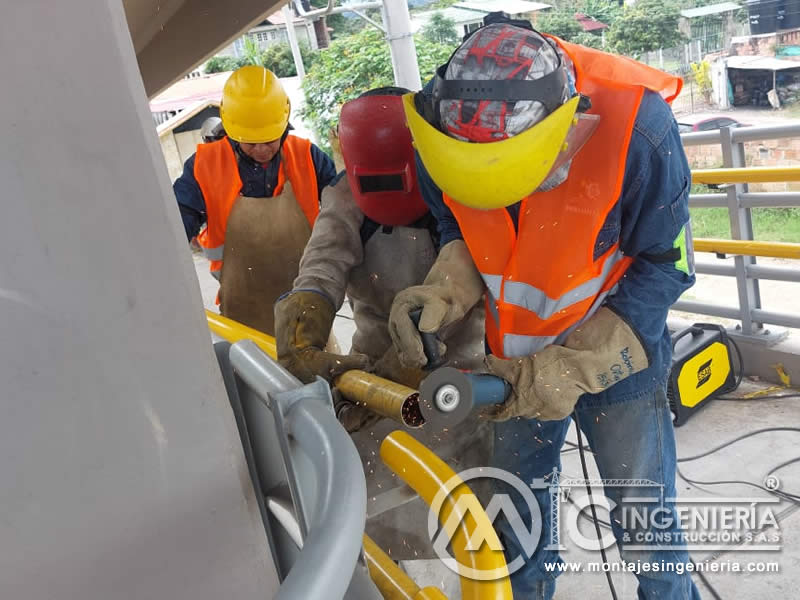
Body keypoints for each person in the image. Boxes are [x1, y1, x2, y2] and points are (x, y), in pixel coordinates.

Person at [389, 16, 699, 599]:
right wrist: (445, 289)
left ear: (566, 127)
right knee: (517, 523)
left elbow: (667, 264)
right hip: (513, 368)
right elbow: (459, 224)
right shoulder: (439, 134)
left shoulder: (638, 129)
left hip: (617, 357)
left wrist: (573, 367)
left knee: (646, 524)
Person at [273, 88, 490, 558]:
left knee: (479, 528)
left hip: (467, 381)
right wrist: (303, 320)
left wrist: (407, 363)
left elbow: (468, 283)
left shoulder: (462, 192)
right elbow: (323, 262)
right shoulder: (344, 195)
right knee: (381, 531)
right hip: (378, 391)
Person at [173, 66, 336, 335]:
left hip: (306, 300)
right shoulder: (204, 166)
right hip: (241, 309)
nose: (262, 150)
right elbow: (178, 220)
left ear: (284, 124)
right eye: (250, 142)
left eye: (270, 140)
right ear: (231, 129)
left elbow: (343, 208)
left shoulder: (307, 156)